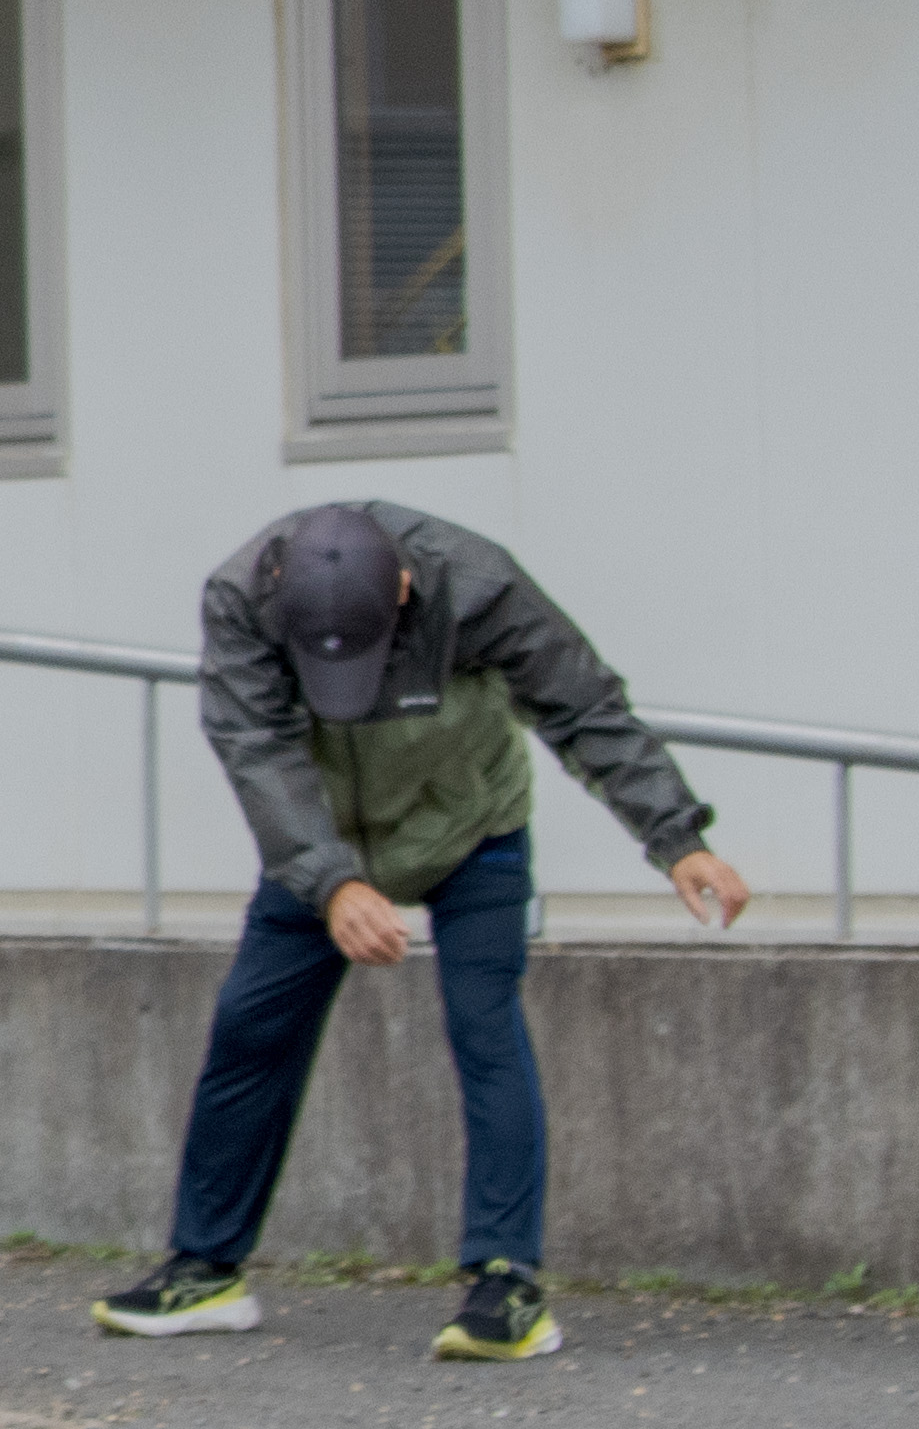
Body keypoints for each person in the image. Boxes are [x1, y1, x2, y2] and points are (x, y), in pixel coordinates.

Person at [92, 499, 749, 1367]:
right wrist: (331, 882)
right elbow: (256, 746)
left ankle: (506, 1284)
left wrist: (677, 839)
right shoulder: (241, 598)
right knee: (253, 1028)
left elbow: (583, 705)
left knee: (485, 1028)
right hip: (322, 846)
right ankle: (205, 1269)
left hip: (471, 832)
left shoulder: (478, 586)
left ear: (405, 590)